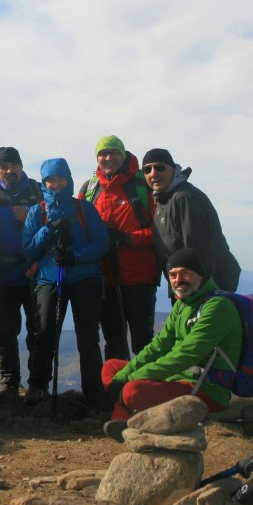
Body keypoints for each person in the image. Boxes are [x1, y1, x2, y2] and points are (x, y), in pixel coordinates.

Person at [101, 248, 242, 439]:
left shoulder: (217, 307)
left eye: (185, 273)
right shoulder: (182, 304)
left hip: (205, 389)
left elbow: (184, 356)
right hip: (176, 378)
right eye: (173, 275)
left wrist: (129, 379)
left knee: (132, 391)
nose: (178, 280)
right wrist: (122, 377)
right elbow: (158, 347)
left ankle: (122, 419)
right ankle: (122, 410)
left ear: (200, 275)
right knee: (111, 367)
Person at [21, 158, 110, 410]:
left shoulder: (83, 209)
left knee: (88, 337)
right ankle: (38, 386)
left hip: (84, 279)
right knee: (45, 333)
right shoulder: (37, 212)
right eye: (51, 180)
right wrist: (49, 229)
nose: (56, 184)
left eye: (61, 179)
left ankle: (94, 392)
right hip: (49, 279)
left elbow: (102, 242)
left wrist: (75, 257)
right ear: (44, 183)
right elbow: (29, 249)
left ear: (69, 181)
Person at [80, 135, 158, 360]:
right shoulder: (90, 188)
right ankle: (116, 392)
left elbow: (160, 232)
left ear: (123, 155)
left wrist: (125, 239)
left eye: (113, 152)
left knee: (143, 341)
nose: (108, 158)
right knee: (114, 341)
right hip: (105, 279)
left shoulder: (142, 184)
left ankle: (143, 392)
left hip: (139, 278)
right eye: (103, 154)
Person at [0, 146, 43, 399]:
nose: (10, 171)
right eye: (3, 167)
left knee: (37, 330)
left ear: (21, 165)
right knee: (5, 331)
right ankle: (8, 382)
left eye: (14, 165)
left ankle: (37, 382)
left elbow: (55, 224)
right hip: (2, 273)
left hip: (34, 272)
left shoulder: (38, 191)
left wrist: (31, 217)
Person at [142, 148, 241, 293]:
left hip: (205, 285)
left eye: (159, 167)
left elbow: (197, 248)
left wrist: (197, 289)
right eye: (147, 170)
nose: (153, 173)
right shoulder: (163, 201)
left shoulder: (184, 198)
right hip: (186, 284)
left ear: (173, 169)